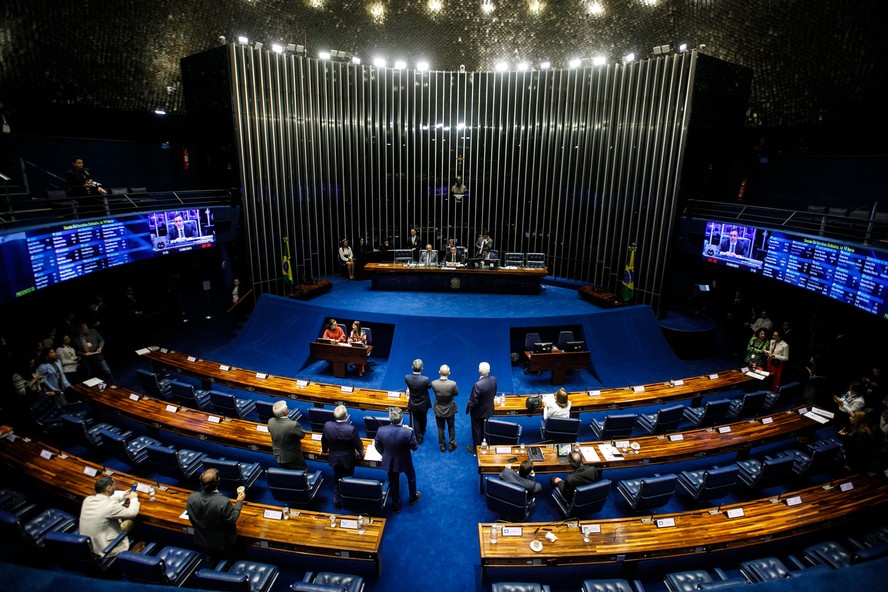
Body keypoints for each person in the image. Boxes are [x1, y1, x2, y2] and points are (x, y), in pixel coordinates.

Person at [186, 468, 245, 564]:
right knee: (228, 561)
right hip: (223, 543)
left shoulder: (192, 498)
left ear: (201, 484)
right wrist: (239, 502)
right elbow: (232, 520)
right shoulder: (222, 501)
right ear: (218, 481)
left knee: (211, 558)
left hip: (202, 540)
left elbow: (192, 518)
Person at [79, 476, 139, 557]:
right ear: (109, 488)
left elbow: (105, 501)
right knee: (129, 523)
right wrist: (134, 498)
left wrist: (121, 497)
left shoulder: (88, 499)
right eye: (114, 485)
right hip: (105, 548)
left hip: (88, 545)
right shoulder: (111, 506)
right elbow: (132, 513)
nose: (115, 487)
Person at [374, 408, 421, 513]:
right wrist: (412, 432)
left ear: (390, 418)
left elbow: (377, 445)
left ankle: (396, 506)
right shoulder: (408, 432)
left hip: (390, 461)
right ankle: (413, 497)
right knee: (411, 477)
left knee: (394, 482)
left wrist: (384, 454)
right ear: (401, 418)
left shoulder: (381, 430)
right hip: (405, 460)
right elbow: (415, 447)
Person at [321, 405, 364, 509]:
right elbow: (358, 445)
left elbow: (324, 440)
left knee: (336, 478)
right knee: (348, 478)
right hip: (348, 460)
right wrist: (362, 455)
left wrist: (324, 451)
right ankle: (348, 499)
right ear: (345, 415)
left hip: (334, 459)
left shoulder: (327, 425)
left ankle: (337, 502)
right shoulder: (350, 429)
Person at [466, 361, 496, 452]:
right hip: (488, 409)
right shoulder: (494, 379)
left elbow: (474, 402)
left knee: (476, 429)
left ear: (479, 371)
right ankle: (483, 439)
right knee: (483, 426)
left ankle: (476, 447)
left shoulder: (478, 385)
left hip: (478, 412)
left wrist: (469, 406)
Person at [268, 400, 307, 470]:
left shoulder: (270, 421)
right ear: (285, 412)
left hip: (278, 455)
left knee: (284, 473)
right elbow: (302, 435)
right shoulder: (293, 425)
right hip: (292, 457)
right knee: (300, 474)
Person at [431, 364, 458, 452]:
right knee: (451, 427)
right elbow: (455, 393)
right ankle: (451, 443)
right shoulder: (453, 384)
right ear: (449, 373)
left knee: (440, 427)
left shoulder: (434, 383)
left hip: (438, 408)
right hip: (449, 408)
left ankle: (442, 445)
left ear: (439, 372)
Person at [405, 359, 432, 445]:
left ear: (412, 367)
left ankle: (419, 437)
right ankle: (422, 433)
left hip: (413, 403)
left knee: (416, 420)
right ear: (422, 368)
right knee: (423, 419)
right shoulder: (425, 379)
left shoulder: (407, 378)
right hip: (424, 404)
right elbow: (429, 386)